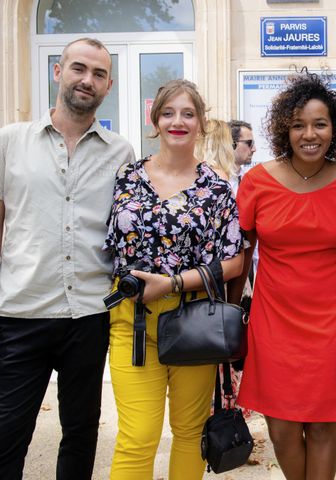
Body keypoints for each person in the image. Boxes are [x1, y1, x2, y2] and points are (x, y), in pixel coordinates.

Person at [231, 72, 336, 480]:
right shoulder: (257, 181)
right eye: (298, 124)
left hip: (332, 320)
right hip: (274, 318)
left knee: (321, 423)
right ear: (284, 129)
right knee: (279, 426)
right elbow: (240, 254)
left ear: (335, 129)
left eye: (320, 123)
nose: (309, 134)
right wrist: (229, 314)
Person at [0, 38, 135, 479]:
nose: (87, 80)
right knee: (6, 435)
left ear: (109, 85)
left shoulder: (121, 153)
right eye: (79, 69)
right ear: (58, 72)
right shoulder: (10, 142)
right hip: (21, 311)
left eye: (98, 74)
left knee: (80, 435)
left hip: (89, 317)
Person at [104, 79, 244, 479]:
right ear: (155, 119)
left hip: (193, 320)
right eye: (168, 113)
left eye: (188, 113)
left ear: (201, 122)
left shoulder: (216, 189)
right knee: (138, 435)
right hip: (133, 319)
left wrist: (174, 282)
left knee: (187, 432)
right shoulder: (127, 177)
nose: (177, 121)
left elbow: (234, 261)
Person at [228, 119, 256, 192]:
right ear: (232, 144)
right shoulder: (213, 179)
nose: (254, 149)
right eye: (249, 143)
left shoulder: (248, 180)